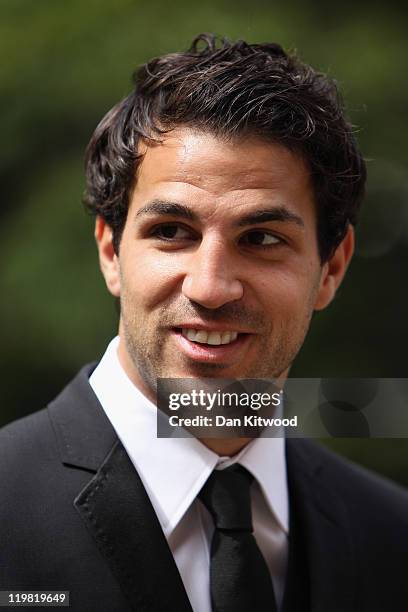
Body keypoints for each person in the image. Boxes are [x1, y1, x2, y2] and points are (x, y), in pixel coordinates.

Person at [0, 34, 407, 612]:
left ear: (330, 269)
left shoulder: (392, 538)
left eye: (262, 239)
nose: (210, 287)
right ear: (111, 252)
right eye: (171, 231)